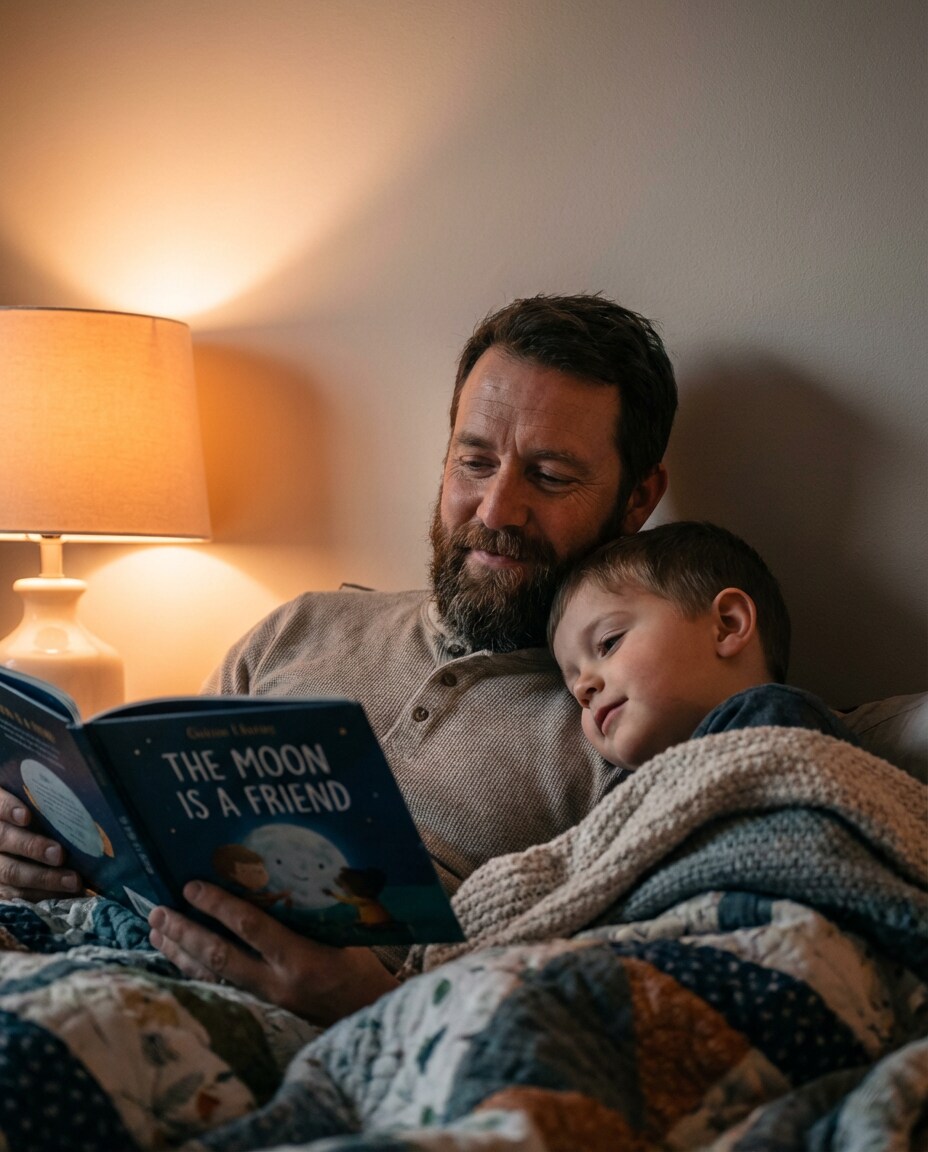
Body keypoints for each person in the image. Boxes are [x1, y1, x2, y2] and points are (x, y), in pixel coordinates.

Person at [0, 293, 678, 1024]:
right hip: (113, 957)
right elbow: (144, 842)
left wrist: (371, 1005)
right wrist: (34, 855)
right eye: (474, 461)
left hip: (320, 1031)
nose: (494, 510)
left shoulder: (623, 722)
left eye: (548, 477)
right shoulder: (299, 626)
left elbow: (592, 1006)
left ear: (637, 500)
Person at [548, 520, 859, 771]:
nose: (582, 689)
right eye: (573, 681)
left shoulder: (780, 723)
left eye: (609, 643)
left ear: (727, 625)